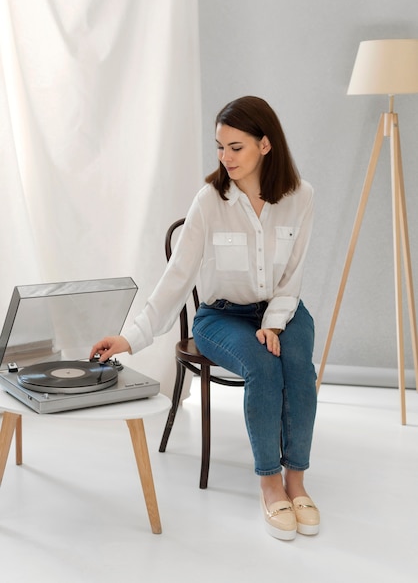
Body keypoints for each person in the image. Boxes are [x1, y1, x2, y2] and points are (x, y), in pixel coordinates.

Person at [90, 95, 319, 541]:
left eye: (236, 147)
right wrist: (131, 338)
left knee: (298, 367)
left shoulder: (300, 196)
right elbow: (177, 278)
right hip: (222, 317)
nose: (224, 157)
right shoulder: (210, 200)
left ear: (265, 146)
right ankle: (270, 483)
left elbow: (293, 276)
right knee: (263, 366)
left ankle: (297, 481)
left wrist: (272, 322)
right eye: (219, 146)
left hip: (284, 310)